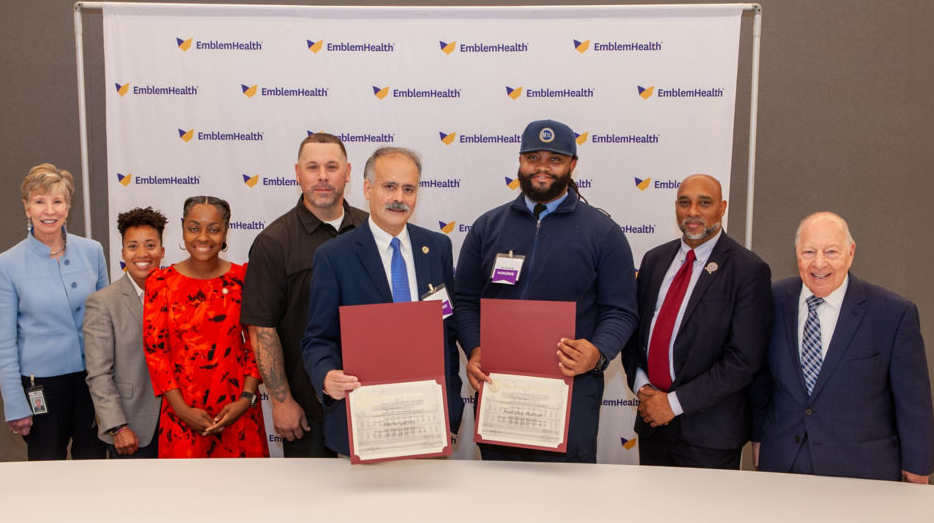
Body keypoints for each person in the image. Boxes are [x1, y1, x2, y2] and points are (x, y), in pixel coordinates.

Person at [454, 119, 639, 463]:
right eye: (532, 157)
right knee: (500, 495)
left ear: (572, 165)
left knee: (565, 501)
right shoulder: (486, 227)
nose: (542, 168)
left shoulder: (603, 232)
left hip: (571, 389)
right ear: (520, 162)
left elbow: (621, 310)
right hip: (500, 388)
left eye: (554, 159)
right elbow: (465, 301)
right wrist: (475, 348)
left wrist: (597, 353)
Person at [301, 147, 463, 457]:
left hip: (428, 419)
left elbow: (448, 331)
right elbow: (316, 339)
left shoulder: (438, 247)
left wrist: (452, 405)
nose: (399, 197)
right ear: (367, 188)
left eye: (409, 189)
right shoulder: (334, 256)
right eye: (389, 186)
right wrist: (325, 374)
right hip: (364, 421)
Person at [752, 212, 934, 482]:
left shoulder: (893, 313)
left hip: (861, 472)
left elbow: (913, 401)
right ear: (797, 254)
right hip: (783, 465)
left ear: (851, 252)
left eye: (831, 251)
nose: (819, 263)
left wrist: (918, 467)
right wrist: (758, 438)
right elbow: (760, 380)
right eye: (809, 251)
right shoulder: (772, 301)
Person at [622, 174, 772, 469]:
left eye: (704, 203)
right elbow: (633, 335)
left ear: (722, 207)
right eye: (684, 203)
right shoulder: (654, 260)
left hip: (709, 436)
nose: (692, 212)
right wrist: (644, 389)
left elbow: (743, 361)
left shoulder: (748, 270)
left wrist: (673, 404)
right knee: (651, 513)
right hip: (653, 425)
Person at [242, 133, 367, 458]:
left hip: (371, 398)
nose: (322, 176)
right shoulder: (274, 242)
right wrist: (282, 402)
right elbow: (262, 329)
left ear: (348, 172)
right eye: (313, 167)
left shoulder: (373, 231)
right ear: (298, 173)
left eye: (331, 166)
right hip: (308, 412)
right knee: (313, 506)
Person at [0, 163, 109, 460]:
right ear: (26, 207)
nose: (49, 210)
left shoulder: (92, 251)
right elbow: (4, 343)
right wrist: (15, 404)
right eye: (39, 201)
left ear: (68, 207)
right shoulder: (7, 264)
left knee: (95, 468)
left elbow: (108, 324)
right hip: (41, 387)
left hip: (91, 382)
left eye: (57, 201)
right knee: (45, 476)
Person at [143, 196, 268, 458]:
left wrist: (245, 400)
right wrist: (182, 410)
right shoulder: (161, 282)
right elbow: (156, 352)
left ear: (225, 232)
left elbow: (257, 344)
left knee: (246, 495)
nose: (203, 237)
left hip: (238, 415)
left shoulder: (243, 279)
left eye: (213, 229)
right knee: (185, 496)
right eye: (193, 228)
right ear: (183, 229)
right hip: (181, 418)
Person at [83, 207, 167, 458]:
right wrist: (117, 427)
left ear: (162, 251)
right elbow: (98, 374)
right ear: (122, 253)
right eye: (133, 246)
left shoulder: (176, 294)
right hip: (131, 427)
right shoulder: (103, 302)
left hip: (179, 426)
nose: (142, 254)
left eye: (150, 245)